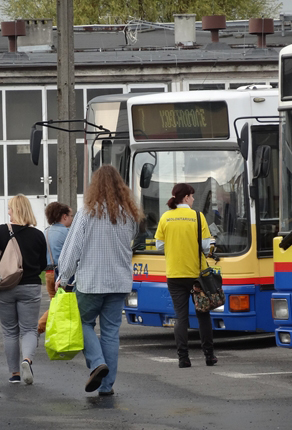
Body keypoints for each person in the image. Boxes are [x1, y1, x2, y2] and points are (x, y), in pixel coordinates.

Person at [57, 165, 143, 396]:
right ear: (120, 186)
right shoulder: (130, 214)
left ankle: (96, 363)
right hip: (120, 282)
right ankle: (107, 386)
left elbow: (73, 246)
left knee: (82, 322)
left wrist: (63, 276)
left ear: (95, 186)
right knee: (111, 332)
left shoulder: (87, 212)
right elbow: (131, 241)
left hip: (92, 281)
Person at [0, 194, 47, 385]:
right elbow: (43, 263)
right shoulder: (38, 235)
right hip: (30, 286)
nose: (8, 212)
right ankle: (27, 360)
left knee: (10, 331)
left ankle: (14, 374)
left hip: (4, 287)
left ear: (15, 210)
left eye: (10, 208)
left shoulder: (2, 231)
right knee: (28, 329)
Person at [154, 183, 217, 368]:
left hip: (174, 274)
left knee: (181, 317)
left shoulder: (166, 217)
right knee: (203, 315)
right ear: (187, 197)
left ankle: (183, 358)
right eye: (193, 196)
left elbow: (159, 245)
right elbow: (206, 247)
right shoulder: (197, 217)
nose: (194, 199)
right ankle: (209, 356)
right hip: (197, 275)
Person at [37, 202, 74, 335]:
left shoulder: (46, 232)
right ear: (64, 216)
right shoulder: (68, 233)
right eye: (71, 215)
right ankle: (38, 327)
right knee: (61, 305)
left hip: (48, 272)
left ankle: (60, 333)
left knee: (56, 302)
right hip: (63, 274)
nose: (72, 218)